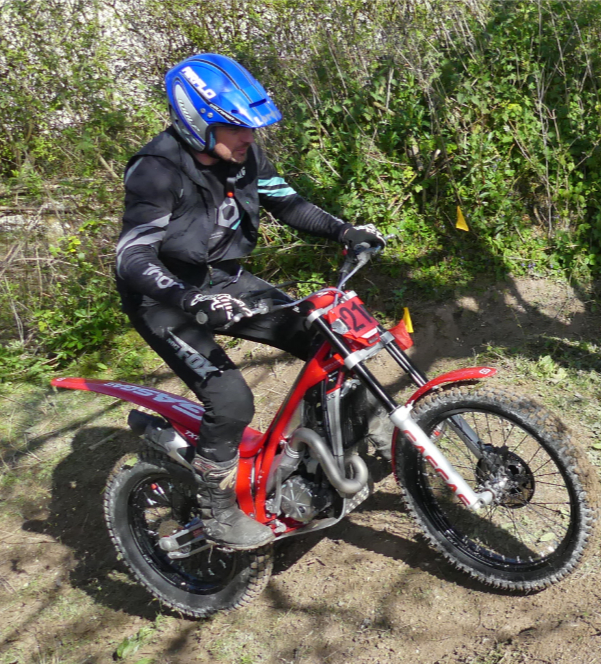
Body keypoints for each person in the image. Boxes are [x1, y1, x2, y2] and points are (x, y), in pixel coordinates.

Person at [115, 54, 387, 550]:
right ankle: (214, 506)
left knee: (328, 337)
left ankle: (324, 456)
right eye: (238, 127)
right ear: (197, 121)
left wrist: (344, 231)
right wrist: (188, 299)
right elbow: (131, 256)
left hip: (223, 280)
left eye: (252, 128)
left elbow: (288, 202)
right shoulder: (155, 171)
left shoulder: (244, 158)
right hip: (164, 298)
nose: (250, 137)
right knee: (231, 400)